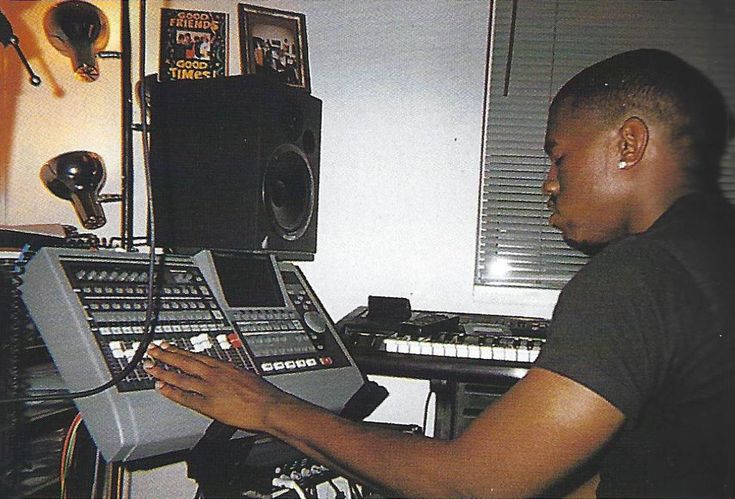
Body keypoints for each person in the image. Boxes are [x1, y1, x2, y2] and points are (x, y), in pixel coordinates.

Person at [143, 49, 734, 497]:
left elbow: (471, 484)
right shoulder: (712, 249)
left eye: (559, 158)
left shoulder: (639, 274)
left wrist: (267, 407)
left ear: (629, 143)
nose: (550, 183)